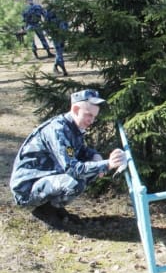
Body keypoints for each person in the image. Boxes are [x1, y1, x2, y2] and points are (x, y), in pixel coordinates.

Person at [9, 89, 127, 229]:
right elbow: (72, 168)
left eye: (94, 116)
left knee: (88, 174)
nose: (92, 120)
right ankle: (45, 211)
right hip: (27, 187)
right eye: (88, 115)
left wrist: (95, 156)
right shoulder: (58, 130)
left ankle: (55, 209)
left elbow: (79, 150)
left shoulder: (72, 127)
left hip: (43, 178)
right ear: (76, 109)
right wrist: (107, 164)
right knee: (75, 182)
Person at [45, 3, 69, 76]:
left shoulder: (62, 12)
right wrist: (49, 33)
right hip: (55, 34)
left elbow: (66, 22)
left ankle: (55, 67)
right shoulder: (49, 13)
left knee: (60, 50)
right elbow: (46, 24)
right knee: (59, 51)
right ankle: (63, 68)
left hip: (62, 34)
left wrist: (66, 32)